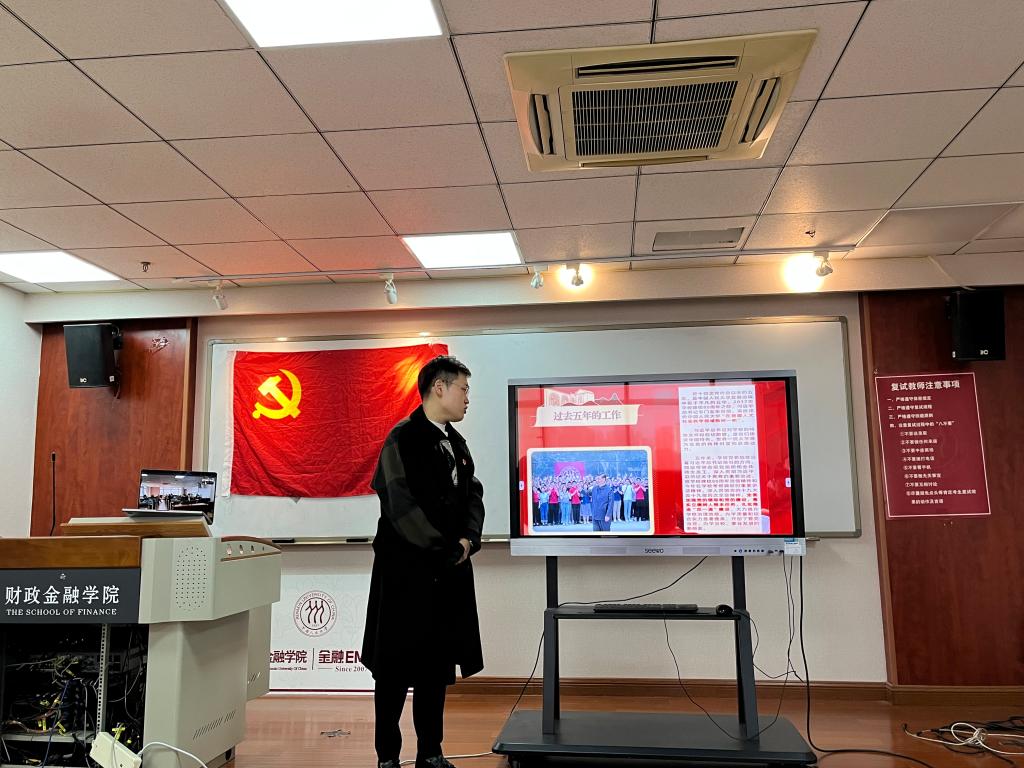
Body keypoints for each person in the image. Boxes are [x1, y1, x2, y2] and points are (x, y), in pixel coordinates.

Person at [361, 355, 485, 768]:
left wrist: (468, 539)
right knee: (393, 670)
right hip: (406, 576)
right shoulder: (402, 439)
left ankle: (431, 753)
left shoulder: (457, 444)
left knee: (435, 667)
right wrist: (444, 548)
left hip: (446, 575)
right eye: (463, 389)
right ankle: (387, 758)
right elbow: (400, 506)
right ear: (439, 388)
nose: (467, 398)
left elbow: (473, 495)